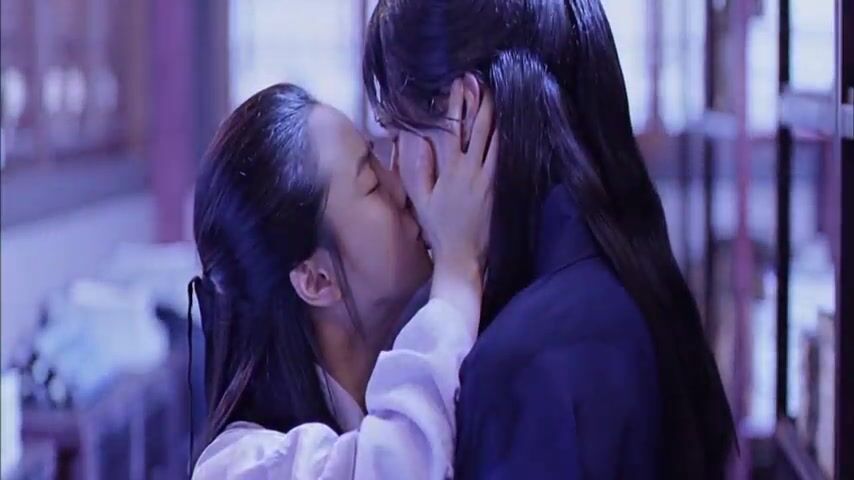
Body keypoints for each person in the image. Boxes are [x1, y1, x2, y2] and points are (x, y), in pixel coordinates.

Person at [363, 0, 736, 478]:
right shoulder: (626, 273)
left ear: (465, 114)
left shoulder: (523, 361)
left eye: (397, 133)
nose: (396, 174)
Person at [190, 83, 497, 479]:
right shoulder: (239, 468)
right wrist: (457, 266)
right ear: (317, 280)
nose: (402, 187)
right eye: (372, 183)